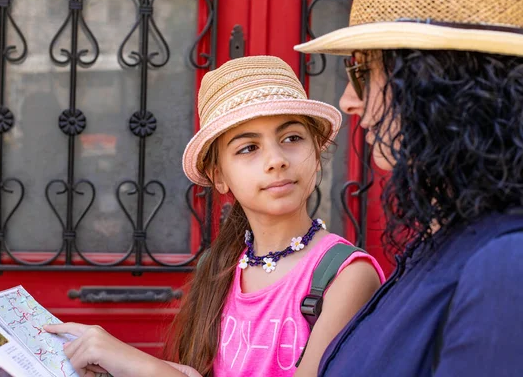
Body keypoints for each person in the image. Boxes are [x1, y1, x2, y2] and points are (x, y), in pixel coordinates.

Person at [45, 55, 385, 377]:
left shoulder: (345, 276)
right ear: (218, 175)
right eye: (248, 148)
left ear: (316, 150)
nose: (276, 159)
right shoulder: (218, 267)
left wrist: (146, 366)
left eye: (292, 138)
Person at [293, 0, 523, 376]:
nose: (348, 99)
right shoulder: (446, 236)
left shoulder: (507, 264)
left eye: (361, 70)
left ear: (439, 83)